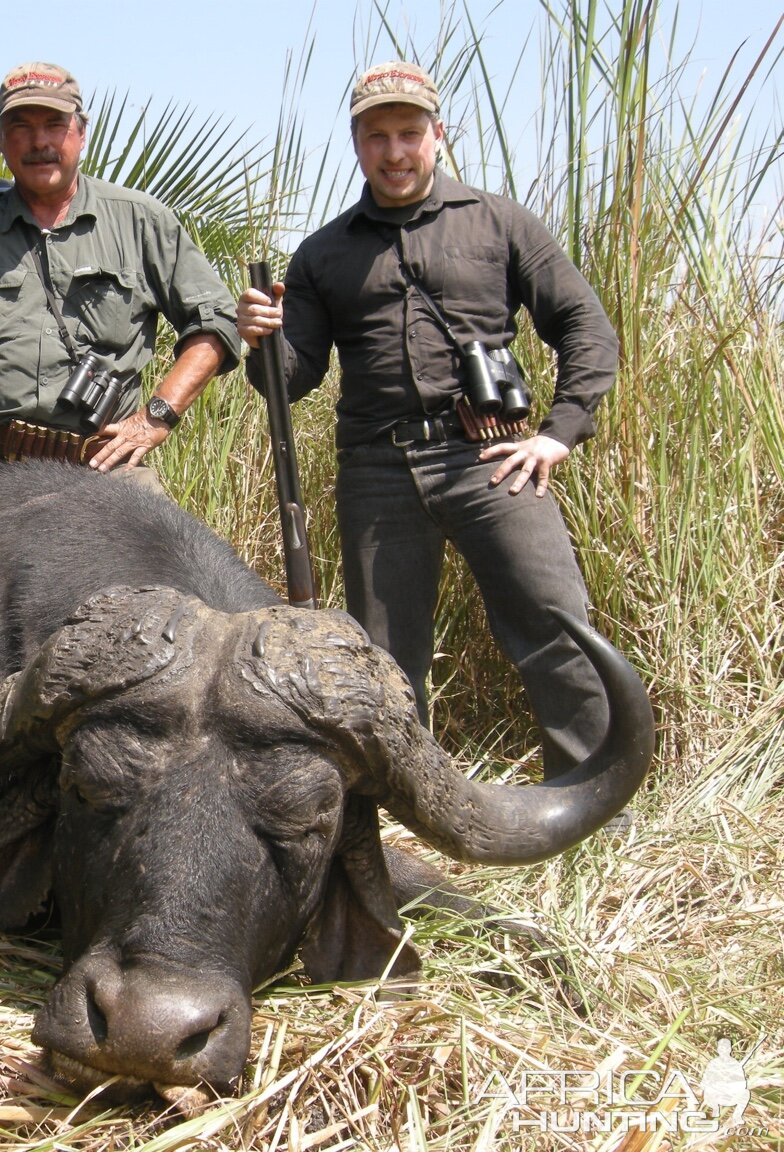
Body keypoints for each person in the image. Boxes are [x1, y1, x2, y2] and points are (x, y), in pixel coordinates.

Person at [237, 61, 618, 779]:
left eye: (409, 133)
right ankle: (403, 819)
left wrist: (559, 432)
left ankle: (595, 802)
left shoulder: (500, 221)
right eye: (376, 136)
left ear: (437, 135)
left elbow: (584, 327)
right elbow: (294, 379)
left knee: (558, 629)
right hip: (377, 474)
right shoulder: (323, 252)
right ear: (356, 143)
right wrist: (261, 337)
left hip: (496, 458)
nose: (395, 152)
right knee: (383, 664)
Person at [0, 62, 239, 480]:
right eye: (20, 126)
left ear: (81, 131)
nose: (39, 141)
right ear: (2, 138)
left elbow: (216, 321)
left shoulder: (140, 220)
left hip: (105, 470)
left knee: (183, 548)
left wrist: (155, 417)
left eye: (55, 124)